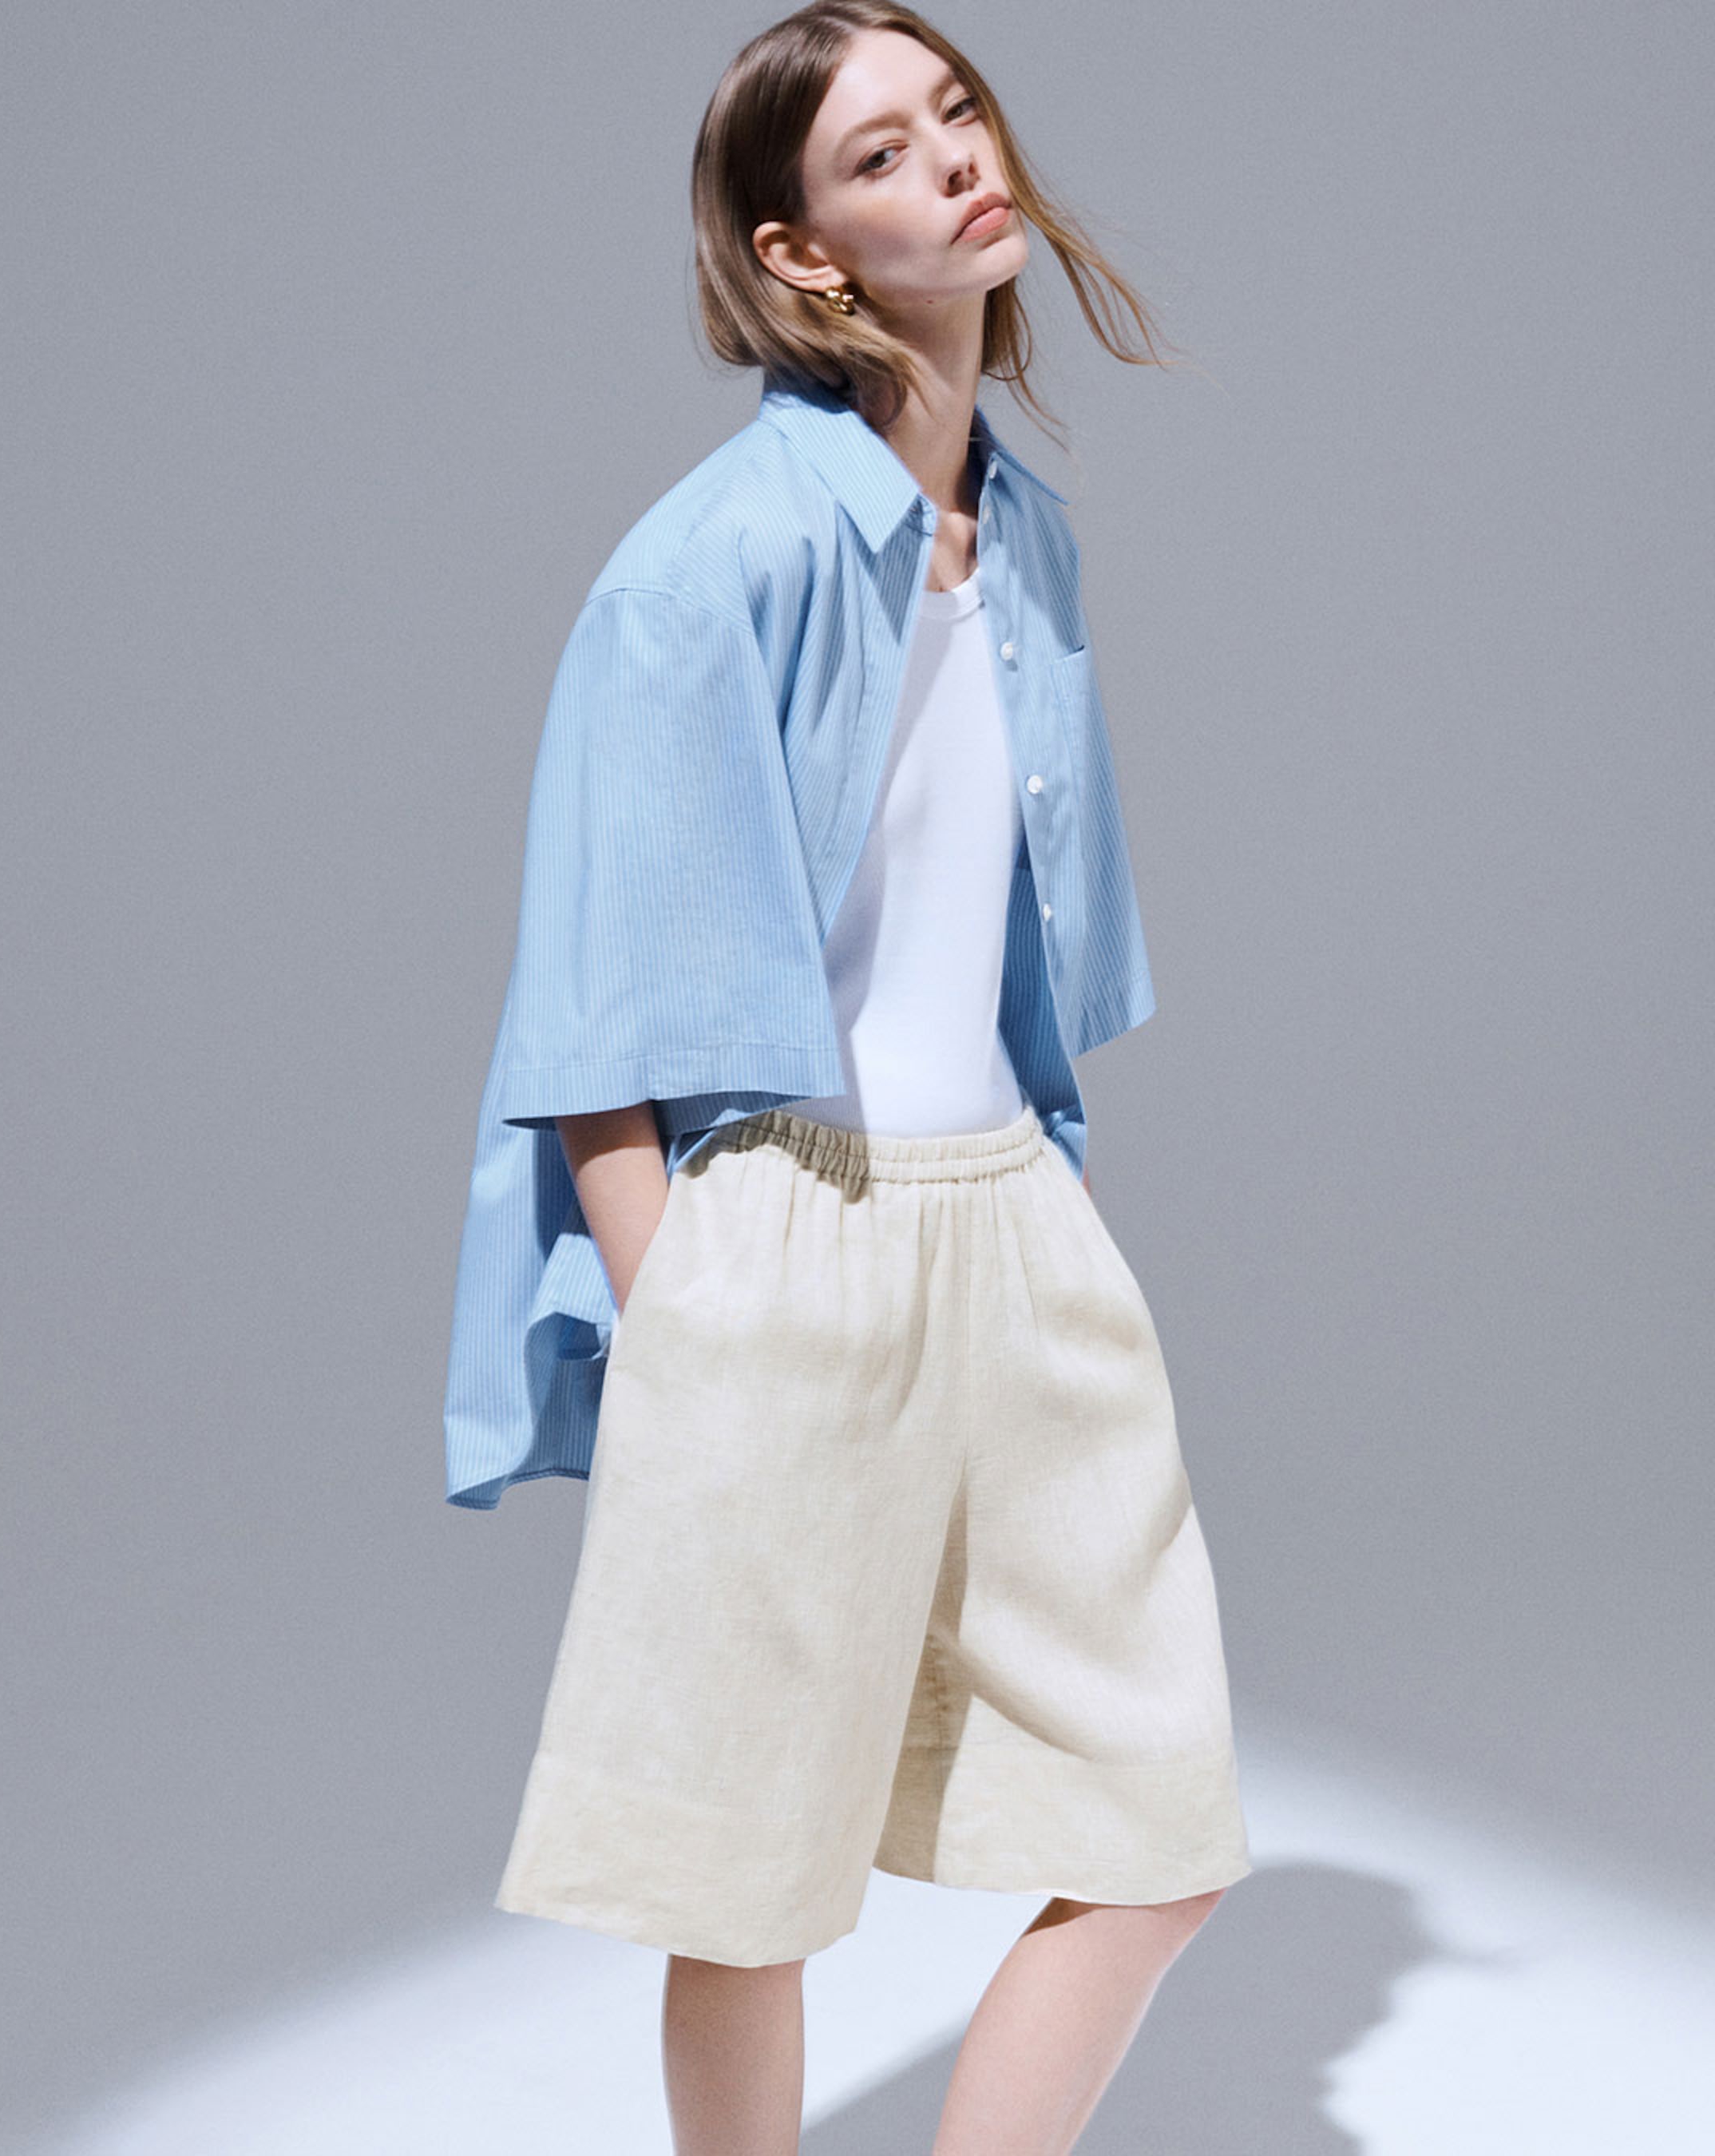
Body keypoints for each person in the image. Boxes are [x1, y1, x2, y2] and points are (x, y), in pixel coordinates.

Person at [442, 5, 1253, 2148]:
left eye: (958, 112)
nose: (959, 163)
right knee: (750, 1876)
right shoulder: (705, 565)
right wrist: (683, 1299)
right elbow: (588, 1020)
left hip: (1018, 1228)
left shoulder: (1030, 539)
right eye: (884, 155)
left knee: (1159, 1830)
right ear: (805, 256)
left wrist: (1043, 1201)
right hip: (778, 1238)